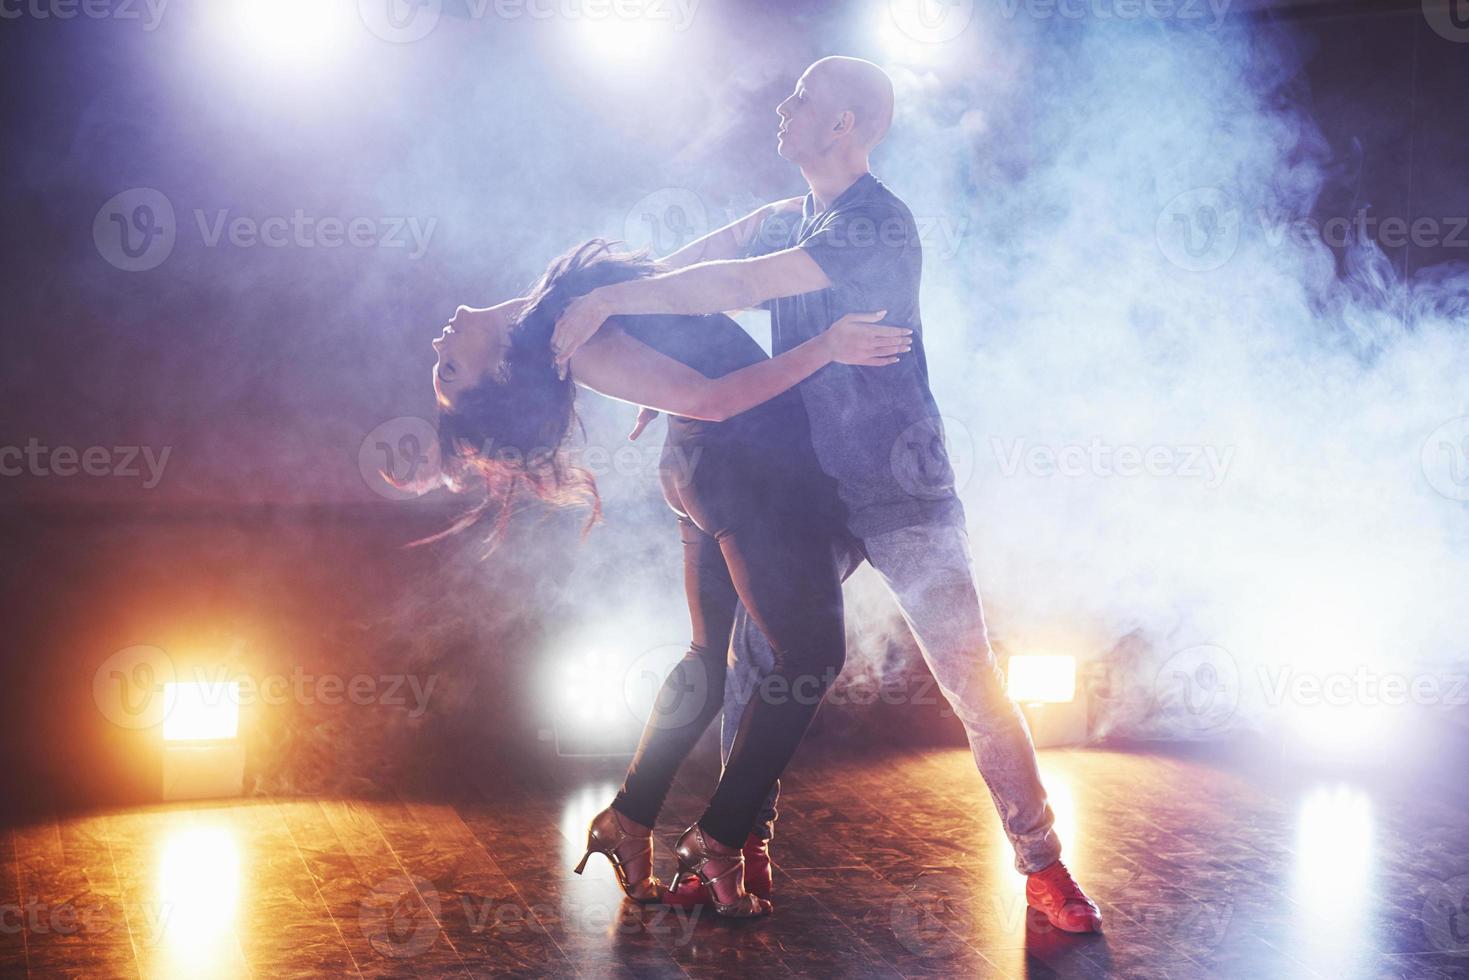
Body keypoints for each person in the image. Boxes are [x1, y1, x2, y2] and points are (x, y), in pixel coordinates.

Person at [549, 57, 1102, 933]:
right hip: (809, 485)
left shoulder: (873, 223)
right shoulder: (790, 215)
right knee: (759, 665)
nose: (783, 104)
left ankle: (1042, 864)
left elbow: (737, 286)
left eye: (802, 98)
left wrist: (613, 297)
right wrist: (592, 312)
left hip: (900, 489)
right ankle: (737, 844)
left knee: (971, 681)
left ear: (843, 124)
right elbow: (689, 268)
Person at [431, 239, 911, 917]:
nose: (436, 343)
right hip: (736, 465)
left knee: (708, 659)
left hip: (709, 466)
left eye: (440, 365)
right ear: (501, 371)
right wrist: (826, 346)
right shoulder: (573, 339)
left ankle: (628, 820)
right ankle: (719, 838)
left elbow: (678, 297)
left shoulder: (554, 314)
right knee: (808, 656)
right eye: (449, 366)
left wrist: (661, 378)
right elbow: (713, 401)